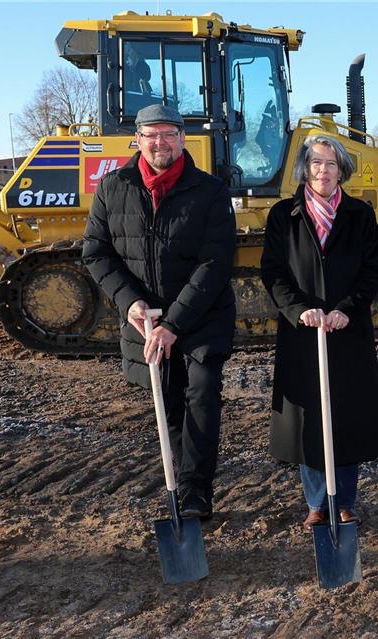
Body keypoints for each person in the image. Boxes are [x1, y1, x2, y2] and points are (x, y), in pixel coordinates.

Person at [83, 104, 236, 519]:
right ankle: (183, 483)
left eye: (168, 134)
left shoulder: (210, 191)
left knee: (202, 392)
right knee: (166, 398)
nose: (160, 143)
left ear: (183, 139)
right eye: (151, 135)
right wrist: (129, 301)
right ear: (137, 140)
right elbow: (96, 251)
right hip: (146, 319)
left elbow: (216, 263)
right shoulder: (113, 187)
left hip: (201, 315)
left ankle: (196, 491)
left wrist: (173, 324)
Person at [260, 134, 378, 532]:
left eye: (331, 164)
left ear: (342, 170)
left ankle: (343, 500)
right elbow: (273, 273)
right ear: (304, 167)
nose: (323, 170)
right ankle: (316, 501)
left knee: (345, 414)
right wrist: (300, 311)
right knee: (309, 415)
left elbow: (371, 272)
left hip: (348, 332)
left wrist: (347, 309)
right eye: (316, 162)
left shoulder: (360, 215)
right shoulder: (284, 215)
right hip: (304, 333)